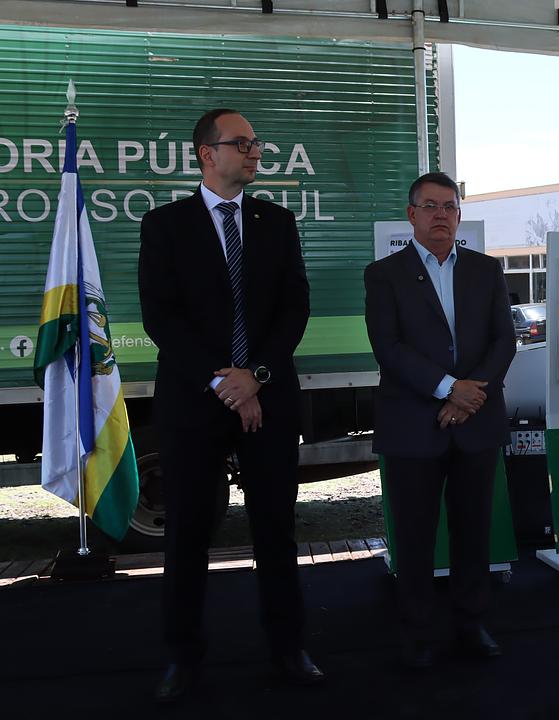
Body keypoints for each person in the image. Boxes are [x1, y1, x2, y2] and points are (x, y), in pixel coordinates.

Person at [139, 108, 317, 702]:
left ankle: (288, 648)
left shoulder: (277, 222)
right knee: (188, 531)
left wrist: (255, 377)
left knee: (276, 527)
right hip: (194, 400)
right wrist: (225, 383)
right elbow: (162, 317)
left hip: (268, 395)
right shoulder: (165, 225)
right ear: (206, 154)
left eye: (256, 143)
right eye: (242, 143)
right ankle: (183, 658)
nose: (254, 151)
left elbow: (294, 307)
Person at [363, 172, 516, 668]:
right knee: (414, 537)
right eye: (430, 206)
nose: (441, 215)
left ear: (459, 215)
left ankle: (471, 624)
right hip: (412, 424)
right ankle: (417, 633)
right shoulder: (383, 275)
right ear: (411, 215)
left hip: (477, 420)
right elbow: (389, 348)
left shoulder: (486, 270)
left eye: (449, 206)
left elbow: (504, 341)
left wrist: (469, 396)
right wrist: (450, 388)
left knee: (473, 532)